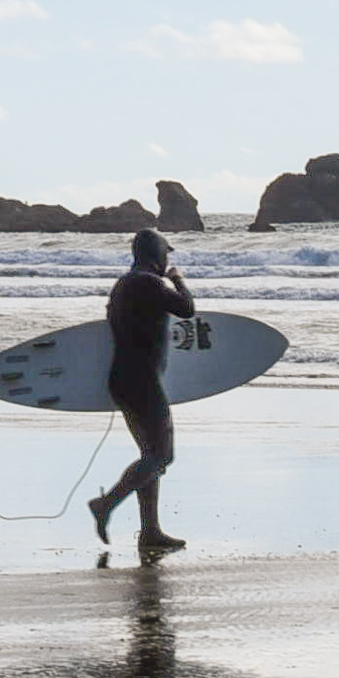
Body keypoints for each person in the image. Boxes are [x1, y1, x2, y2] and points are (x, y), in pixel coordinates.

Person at [87, 228, 195, 557]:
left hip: (125, 380)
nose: (168, 260)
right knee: (162, 456)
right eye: (166, 255)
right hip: (142, 382)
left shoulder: (123, 285)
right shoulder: (149, 283)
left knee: (151, 456)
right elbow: (187, 309)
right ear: (155, 254)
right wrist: (178, 280)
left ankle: (150, 531)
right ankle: (105, 504)